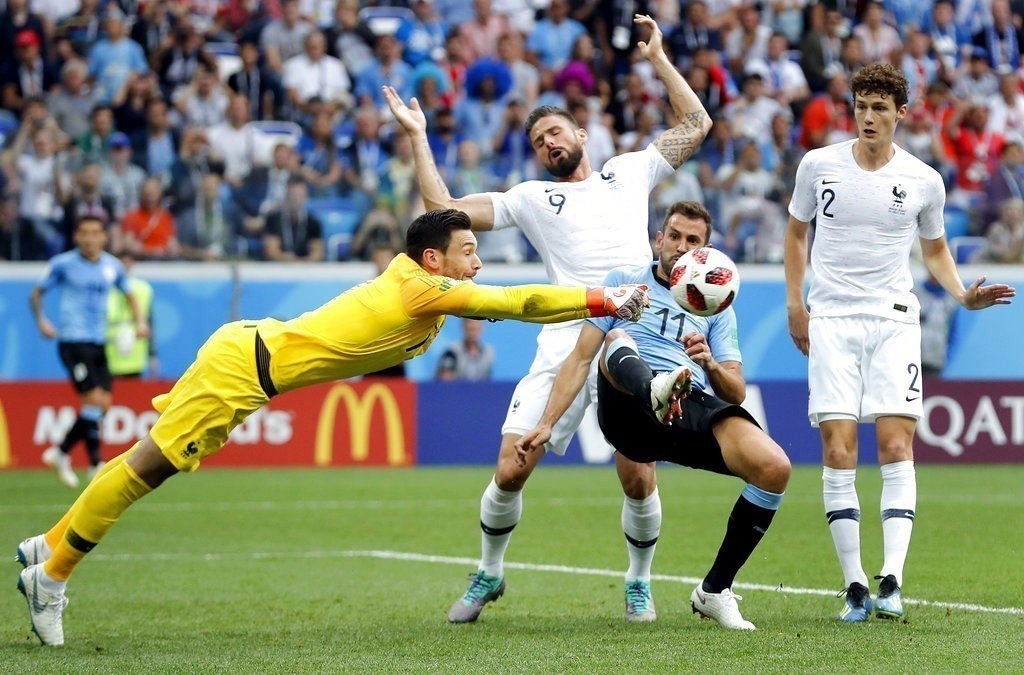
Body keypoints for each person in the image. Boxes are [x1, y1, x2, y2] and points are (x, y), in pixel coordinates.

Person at [14, 208, 652, 647]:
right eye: (469, 252)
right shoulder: (423, 289)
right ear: (433, 258)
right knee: (146, 469)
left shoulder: (421, 279)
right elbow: (518, 302)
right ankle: (52, 577)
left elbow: (493, 288)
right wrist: (602, 298)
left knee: (146, 461)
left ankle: (51, 543)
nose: (478, 263)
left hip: (248, 357)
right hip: (242, 371)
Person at [386, 14, 713, 623]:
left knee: (638, 475)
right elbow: (442, 208)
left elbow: (696, 123)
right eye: (539, 141)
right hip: (567, 332)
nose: (549, 144)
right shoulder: (532, 198)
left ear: (582, 133)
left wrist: (658, 59)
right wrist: (419, 137)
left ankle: (639, 582)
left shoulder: (629, 171)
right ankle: (489, 572)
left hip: (633, 333)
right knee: (511, 466)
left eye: (556, 132)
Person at [784, 63, 1016, 623]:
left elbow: (935, 249)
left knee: (895, 446)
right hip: (832, 319)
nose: (868, 117)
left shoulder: (923, 179)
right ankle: (854, 584)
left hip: (893, 321)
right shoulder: (818, 165)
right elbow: (796, 233)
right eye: (861, 106)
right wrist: (796, 303)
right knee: (838, 450)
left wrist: (961, 295)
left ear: (901, 114)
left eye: (879, 108)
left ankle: (892, 580)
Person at [518, 200, 790, 629]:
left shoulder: (716, 305)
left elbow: (736, 391)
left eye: (692, 240)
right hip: (627, 403)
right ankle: (654, 389)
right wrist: (547, 423)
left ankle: (715, 590)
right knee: (617, 337)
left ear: (704, 250)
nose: (681, 246)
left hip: (686, 402)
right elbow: (581, 357)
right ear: (659, 239)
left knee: (774, 468)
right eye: (674, 236)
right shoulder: (623, 282)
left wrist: (710, 363)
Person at [28, 216, 150, 490]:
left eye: (95, 233)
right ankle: (95, 463)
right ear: (76, 237)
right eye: (84, 233)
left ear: (104, 237)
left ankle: (61, 452)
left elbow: (129, 294)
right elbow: (35, 294)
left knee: (103, 404)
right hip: (73, 341)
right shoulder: (63, 264)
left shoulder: (112, 266)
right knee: (94, 399)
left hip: (98, 341)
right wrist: (42, 321)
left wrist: (140, 322)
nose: (90, 238)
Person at [106, 252, 157, 379]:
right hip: (107, 353)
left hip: (135, 354)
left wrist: (152, 354)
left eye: (127, 262)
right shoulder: (104, 287)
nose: (124, 265)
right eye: (121, 262)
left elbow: (149, 321)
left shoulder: (142, 288)